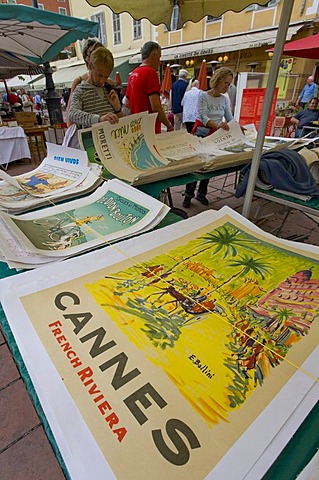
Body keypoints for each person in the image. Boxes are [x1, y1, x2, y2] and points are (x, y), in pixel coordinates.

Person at [182, 67, 234, 208]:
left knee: (210, 165)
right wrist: (217, 125)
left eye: (229, 84)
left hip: (216, 134)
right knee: (197, 165)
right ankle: (188, 195)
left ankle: (202, 194)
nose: (227, 87)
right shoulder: (203, 95)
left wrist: (237, 127)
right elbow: (203, 117)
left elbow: (229, 117)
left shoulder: (224, 99)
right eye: (225, 83)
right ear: (217, 80)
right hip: (202, 132)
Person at [67, 46, 123, 149]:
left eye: (106, 76)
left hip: (113, 145)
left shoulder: (108, 88)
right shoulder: (80, 91)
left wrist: (117, 108)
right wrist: (99, 119)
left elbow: (121, 120)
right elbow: (72, 113)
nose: (102, 80)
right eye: (99, 75)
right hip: (92, 147)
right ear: (90, 66)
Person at [125, 41, 174, 134]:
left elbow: (127, 103)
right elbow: (155, 106)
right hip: (150, 129)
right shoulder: (150, 73)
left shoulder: (133, 74)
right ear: (154, 55)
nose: (159, 62)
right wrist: (168, 125)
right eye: (159, 58)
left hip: (137, 128)